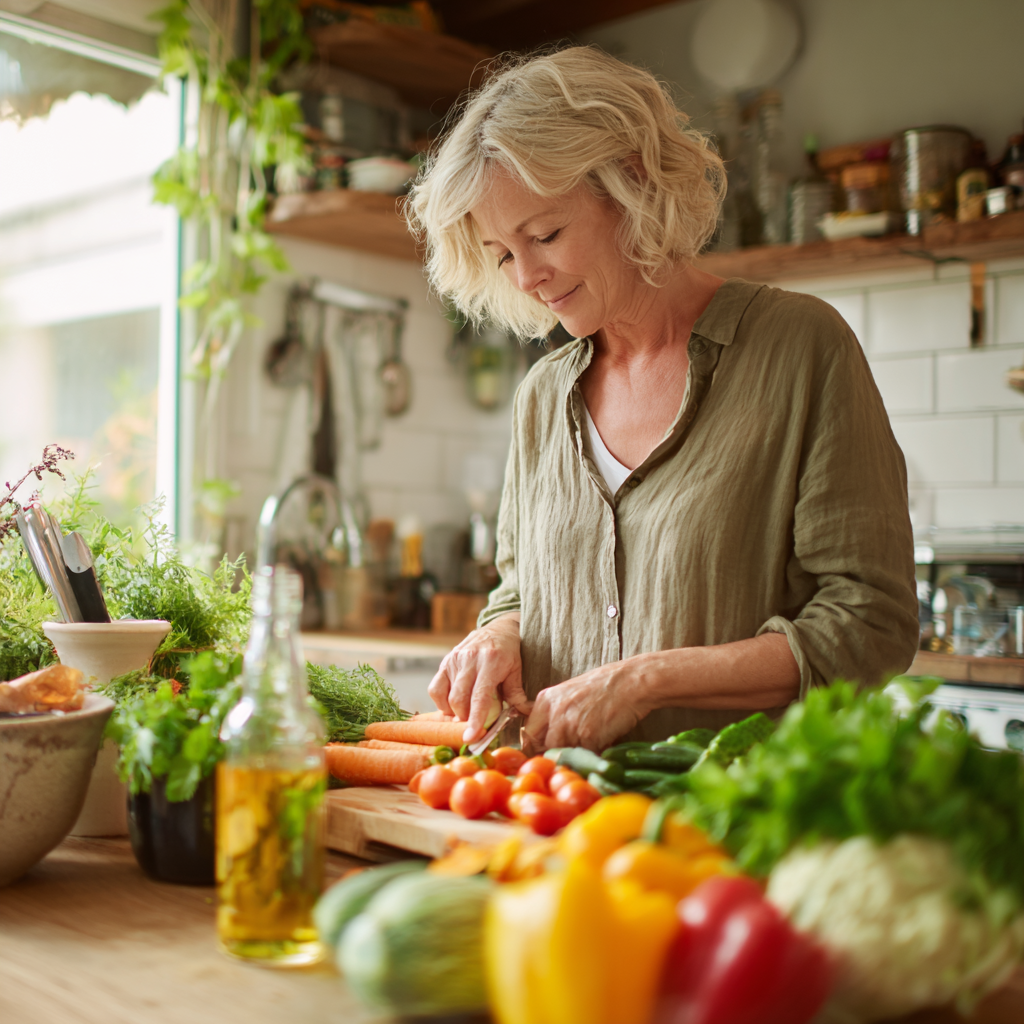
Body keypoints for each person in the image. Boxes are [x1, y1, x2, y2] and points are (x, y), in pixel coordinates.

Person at [407, 47, 919, 755]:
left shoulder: (801, 349)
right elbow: (522, 591)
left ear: (631, 183)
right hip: (561, 823)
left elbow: (871, 621)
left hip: (734, 827)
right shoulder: (541, 397)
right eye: (501, 253)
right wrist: (495, 636)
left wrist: (646, 681)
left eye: (545, 234)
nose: (527, 276)